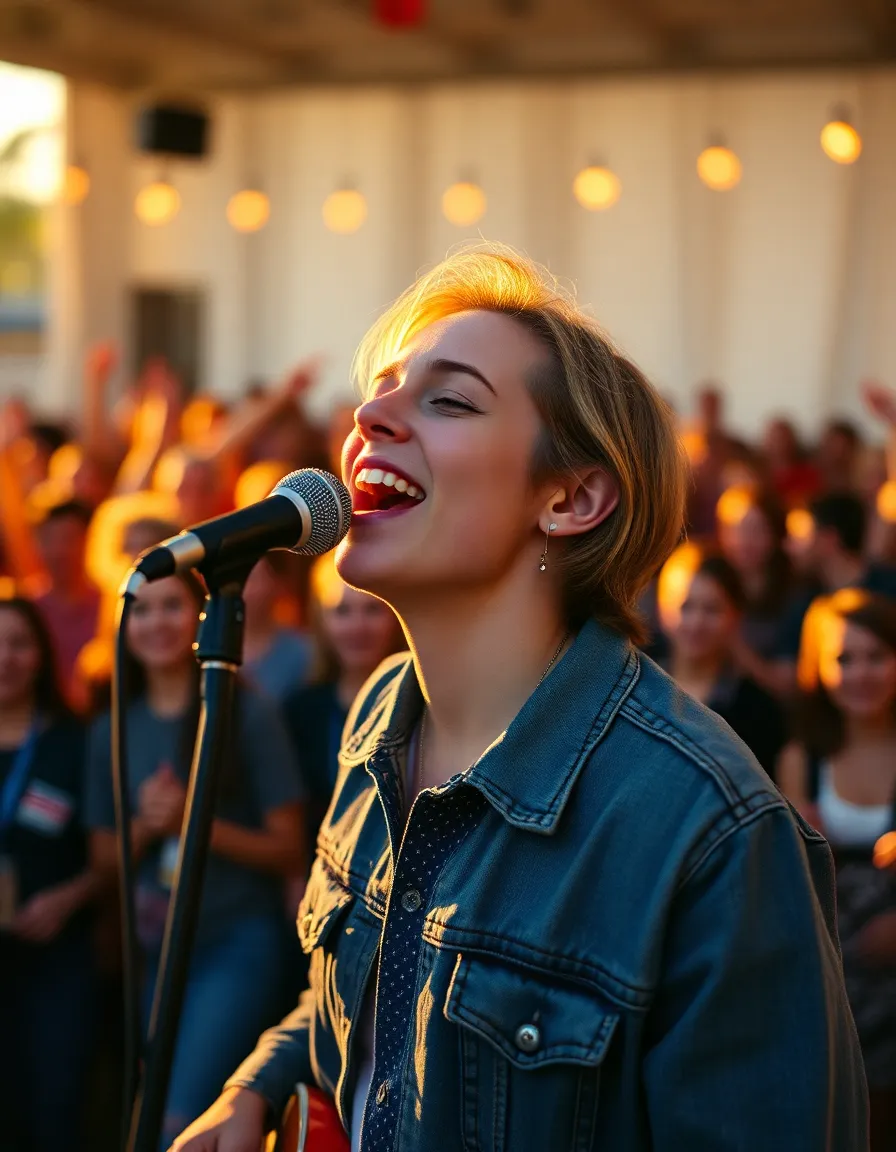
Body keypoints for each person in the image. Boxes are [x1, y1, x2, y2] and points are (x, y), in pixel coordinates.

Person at [172, 243, 866, 1152]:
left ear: (572, 498)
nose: (370, 415)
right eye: (381, 389)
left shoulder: (708, 829)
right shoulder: (380, 716)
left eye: (447, 399)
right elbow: (370, 988)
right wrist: (256, 1091)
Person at [85, 571, 307, 1148]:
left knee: (179, 1119)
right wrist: (147, 826)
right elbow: (104, 860)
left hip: (233, 943)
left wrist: (193, 818)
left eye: (171, 607)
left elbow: (288, 845)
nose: (156, 622)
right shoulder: (112, 725)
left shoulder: (245, 711)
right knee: (149, 1105)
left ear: (200, 618)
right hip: (151, 955)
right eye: (141, 609)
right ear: (122, 624)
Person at [778, 591, 896, 1150]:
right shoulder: (803, 757)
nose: (861, 673)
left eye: (877, 655)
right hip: (833, 976)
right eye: (845, 659)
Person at [0, 597, 100, 1152]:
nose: (4, 659)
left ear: (40, 655)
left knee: (54, 1109)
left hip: (57, 956)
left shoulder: (75, 740)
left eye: (18, 644)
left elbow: (107, 854)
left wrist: (66, 899)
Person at [283, 552, 404, 854]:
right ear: (321, 620)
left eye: (373, 609)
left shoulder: (422, 705)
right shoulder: (301, 710)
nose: (357, 626)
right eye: (341, 611)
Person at [657, 546, 787, 777]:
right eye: (685, 607)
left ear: (735, 615)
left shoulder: (758, 710)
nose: (697, 623)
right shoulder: (637, 688)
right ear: (662, 608)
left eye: (712, 609)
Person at [28, 499, 101, 702]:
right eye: (49, 539)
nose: (59, 551)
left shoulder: (111, 604)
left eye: (69, 539)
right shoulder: (24, 610)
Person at [716, 486, 794, 659]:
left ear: (775, 534)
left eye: (757, 529)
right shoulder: (712, 586)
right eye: (736, 529)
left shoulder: (794, 595)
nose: (745, 540)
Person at [241, 554, 313, 705]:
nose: (241, 588)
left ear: (278, 583)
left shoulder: (303, 652)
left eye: (251, 577)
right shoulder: (206, 646)